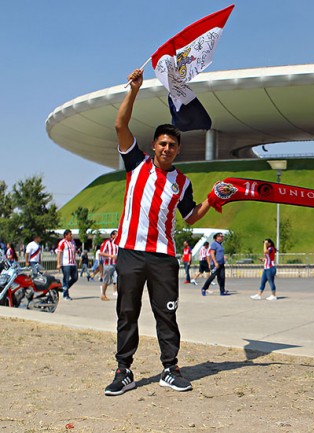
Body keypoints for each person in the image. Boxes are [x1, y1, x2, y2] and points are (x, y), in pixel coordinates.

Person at [104, 68, 213, 397]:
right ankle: (124, 370)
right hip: (130, 252)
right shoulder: (136, 164)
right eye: (162, 143)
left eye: (173, 145)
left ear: (178, 150)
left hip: (164, 256)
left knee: (167, 314)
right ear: (153, 146)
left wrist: (212, 199)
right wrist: (134, 89)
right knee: (127, 312)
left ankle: (170, 368)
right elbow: (120, 125)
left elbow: (191, 216)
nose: (167, 148)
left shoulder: (182, 182)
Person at [56, 229, 78, 301]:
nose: (71, 236)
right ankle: (66, 294)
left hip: (73, 263)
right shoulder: (62, 243)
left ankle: (64, 287)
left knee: (75, 278)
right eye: (70, 234)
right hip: (66, 264)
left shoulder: (73, 242)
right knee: (66, 278)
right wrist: (58, 263)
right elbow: (59, 253)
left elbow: (74, 252)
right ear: (66, 235)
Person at [99, 231, 118, 301]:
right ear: (112, 235)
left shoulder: (118, 243)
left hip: (116, 264)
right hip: (108, 264)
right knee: (107, 280)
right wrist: (111, 256)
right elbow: (101, 252)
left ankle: (116, 292)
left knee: (118, 278)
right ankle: (103, 294)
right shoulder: (107, 242)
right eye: (116, 234)